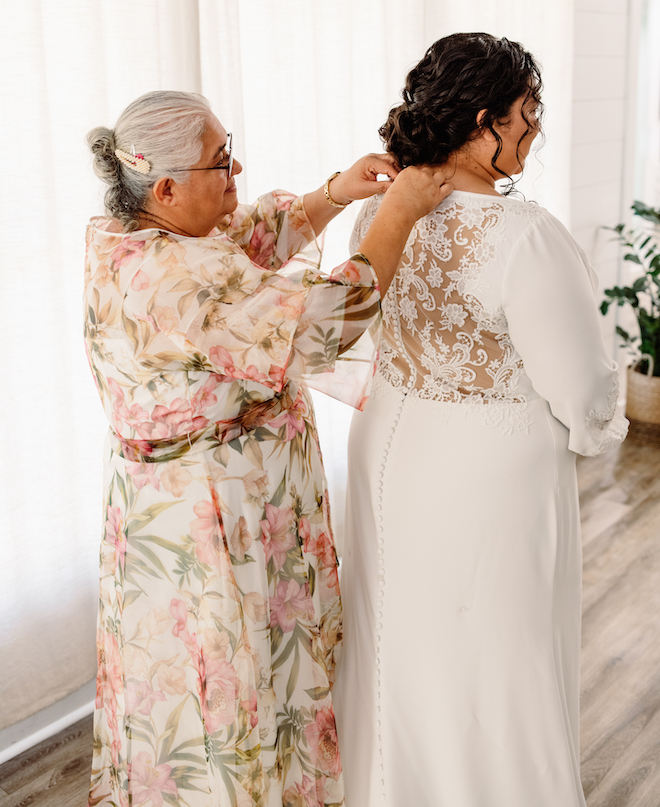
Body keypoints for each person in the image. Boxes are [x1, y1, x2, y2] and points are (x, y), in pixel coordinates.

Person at [84, 90, 452, 807]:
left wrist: (333, 193)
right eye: (222, 163)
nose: (237, 170)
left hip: (171, 509)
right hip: (212, 521)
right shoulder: (173, 275)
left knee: (199, 687)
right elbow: (321, 321)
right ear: (165, 187)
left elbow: (237, 240)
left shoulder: (133, 232)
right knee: (230, 684)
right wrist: (398, 216)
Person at [333, 33, 628, 807]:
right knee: (500, 658)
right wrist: (604, 426)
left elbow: (341, 335)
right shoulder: (527, 236)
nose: (536, 131)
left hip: (389, 447)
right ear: (480, 120)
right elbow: (585, 397)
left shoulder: (374, 216)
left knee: (400, 644)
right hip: (493, 475)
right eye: (526, 115)